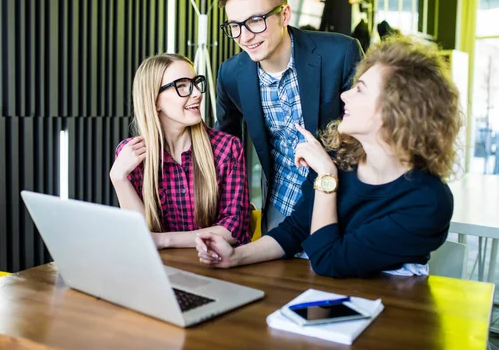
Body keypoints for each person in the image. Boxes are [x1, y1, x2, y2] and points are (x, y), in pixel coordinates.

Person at [196, 36, 462, 278]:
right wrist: (236, 256)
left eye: (360, 89)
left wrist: (325, 177)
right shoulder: (338, 157)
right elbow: (295, 230)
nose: (344, 95)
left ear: (397, 112)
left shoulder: (428, 202)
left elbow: (328, 260)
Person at [215, 0, 363, 233]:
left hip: (344, 202)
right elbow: (224, 144)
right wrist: (235, 204)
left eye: (256, 21)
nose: (245, 36)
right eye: (235, 26)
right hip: (281, 206)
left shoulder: (340, 53)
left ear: (284, 14)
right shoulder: (231, 75)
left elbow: (368, 132)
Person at [110, 54, 251, 249]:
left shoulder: (227, 148)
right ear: (154, 100)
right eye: (182, 86)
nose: (197, 94)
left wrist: (163, 240)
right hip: (158, 270)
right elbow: (139, 237)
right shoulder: (131, 154)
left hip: (215, 268)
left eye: (195, 83)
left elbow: (233, 229)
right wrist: (118, 178)